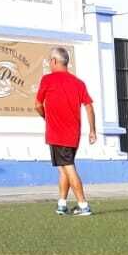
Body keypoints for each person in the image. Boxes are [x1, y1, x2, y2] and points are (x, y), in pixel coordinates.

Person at [35, 47, 96, 217]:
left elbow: (37, 105)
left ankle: (83, 205)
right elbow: (89, 106)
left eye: (49, 61)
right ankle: (62, 204)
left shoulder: (47, 80)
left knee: (68, 167)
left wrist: (46, 118)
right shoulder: (78, 83)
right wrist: (92, 130)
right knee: (63, 168)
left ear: (54, 61)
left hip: (57, 134)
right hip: (73, 135)